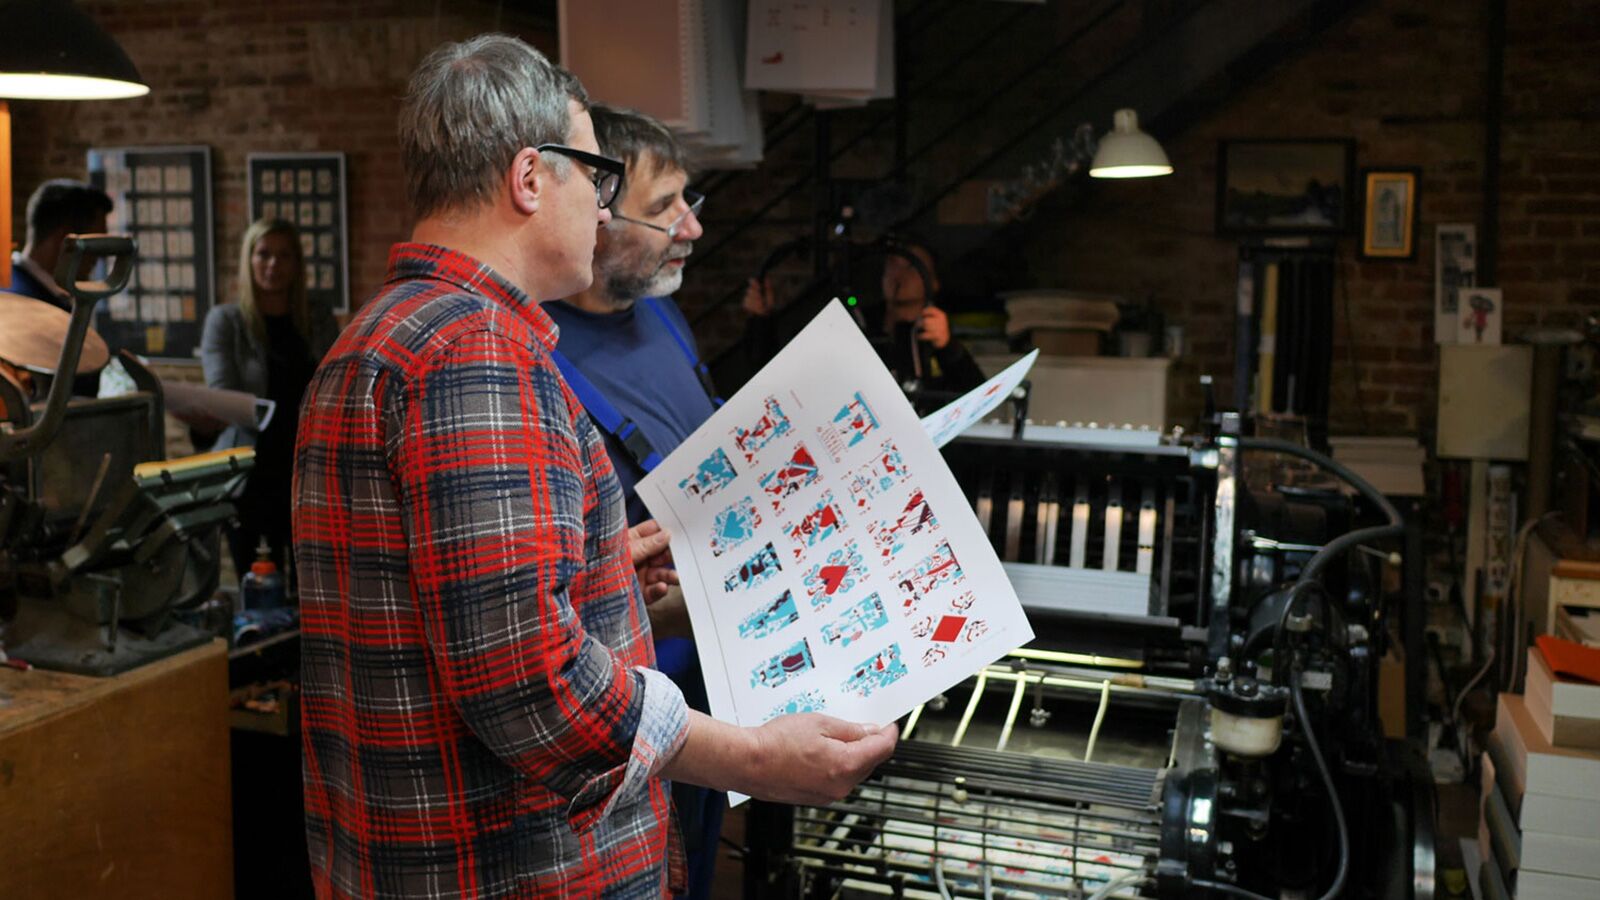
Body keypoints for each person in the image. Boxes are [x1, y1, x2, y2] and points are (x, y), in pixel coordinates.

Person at [292, 34, 896, 899]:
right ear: (529, 179)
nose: (605, 212)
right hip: (517, 872)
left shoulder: (379, 334)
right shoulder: (477, 355)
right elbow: (529, 685)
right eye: (596, 177)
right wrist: (758, 758)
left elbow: (442, 613)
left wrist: (600, 574)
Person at [542, 104, 723, 900]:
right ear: (597, 211)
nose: (692, 227)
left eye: (690, 199)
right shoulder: (534, 358)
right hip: (631, 722)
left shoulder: (661, 311)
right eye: (665, 207)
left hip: (712, 680)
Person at [201, 218, 337, 577]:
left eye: (283, 255)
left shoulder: (317, 318)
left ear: (297, 263)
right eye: (263, 254)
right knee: (260, 585)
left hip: (308, 472)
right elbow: (223, 394)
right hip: (252, 476)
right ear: (249, 259)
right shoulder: (226, 321)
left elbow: (334, 385)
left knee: (315, 584)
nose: (273, 264)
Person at [744, 237, 986, 407]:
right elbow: (783, 376)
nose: (899, 274)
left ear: (933, 282)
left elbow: (977, 397)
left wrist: (947, 346)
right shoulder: (858, 322)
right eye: (892, 264)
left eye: (912, 267)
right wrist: (761, 320)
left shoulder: (934, 334)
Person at [4, 179, 112, 310]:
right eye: (95, 244)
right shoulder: (18, 303)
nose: (100, 257)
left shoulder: (44, 296)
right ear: (65, 240)